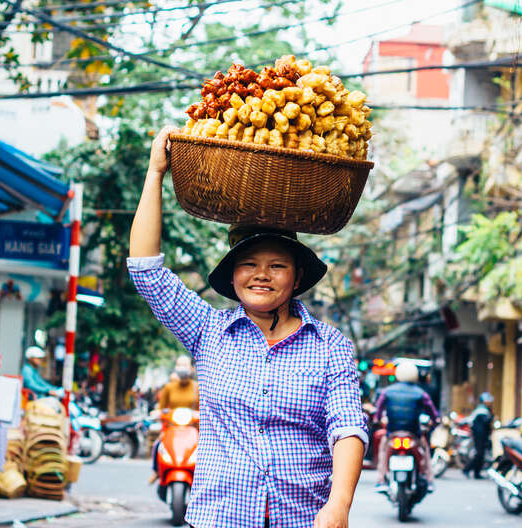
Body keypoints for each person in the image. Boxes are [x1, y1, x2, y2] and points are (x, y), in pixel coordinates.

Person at [128, 127, 367, 528]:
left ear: (296, 277)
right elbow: (145, 270)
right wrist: (155, 174)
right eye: (249, 265)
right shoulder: (208, 330)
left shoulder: (331, 346)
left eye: (277, 266)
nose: (261, 276)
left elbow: (347, 427)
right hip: (218, 519)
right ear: (233, 275)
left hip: (302, 520)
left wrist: (339, 504)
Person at [373, 360, 439, 492]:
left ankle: (380, 480)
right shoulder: (421, 393)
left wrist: (377, 420)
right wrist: (435, 421)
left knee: (383, 451)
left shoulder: (387, 392)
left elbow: (377, 412)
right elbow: (433, 413)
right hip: (413, 434)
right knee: (424, 451)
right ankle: (429, 479)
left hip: (392, 433)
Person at [463, 392, 494, 479]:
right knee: (479, 454)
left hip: (481, 436)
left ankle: (476, 473)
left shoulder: (484, 410)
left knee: (481, 454)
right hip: (480, 436)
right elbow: (485, 424)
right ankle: (467, 469)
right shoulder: (482, 411)